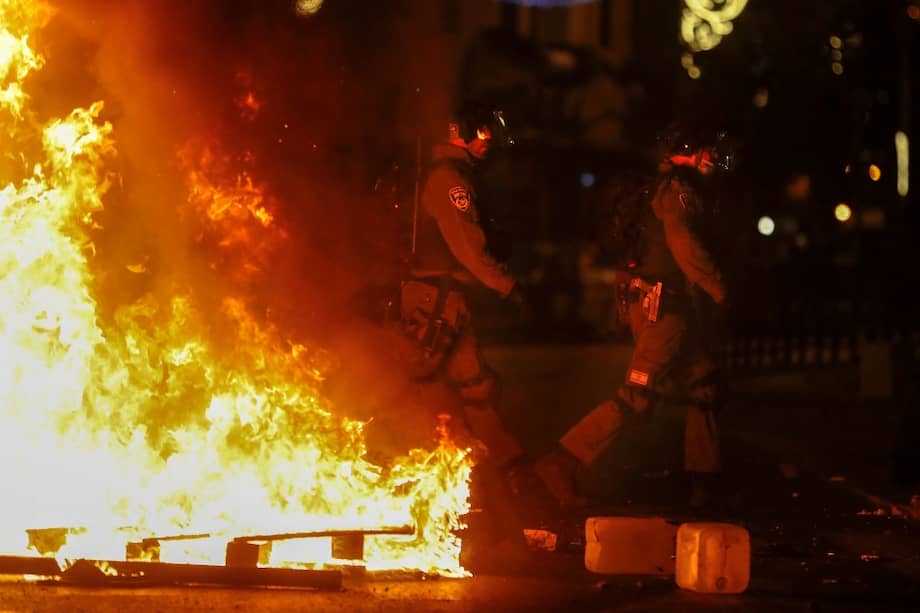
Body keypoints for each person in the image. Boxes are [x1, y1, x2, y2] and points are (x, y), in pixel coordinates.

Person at [533, 122, 736, 509]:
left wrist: (626, 308)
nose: (713, 158)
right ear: (690, 150)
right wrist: (717, 287)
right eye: (707, 150)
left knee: (705, 387)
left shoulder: (652, 189)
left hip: (662, 308)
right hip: (666, 312)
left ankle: (704, 485)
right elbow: (685, 245)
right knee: (636, 397)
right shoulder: (678, 192)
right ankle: (562, 462)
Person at [396, 101, 532, 536]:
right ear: (463, 132)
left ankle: (516, 484)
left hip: (445, 300)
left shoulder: (450, 175)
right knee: (412, 388)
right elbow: (468, 247)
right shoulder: (450, 180)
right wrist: (507, 285)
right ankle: (387, 478)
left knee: (477, 390)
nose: (488, 142)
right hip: (434, 301)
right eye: (484, 134)